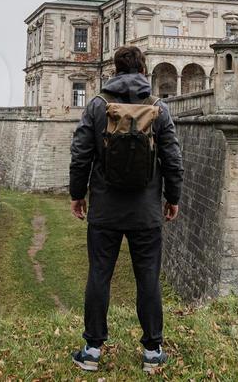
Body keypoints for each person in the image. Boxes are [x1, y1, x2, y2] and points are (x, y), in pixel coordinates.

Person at [68, 44, 183, 374]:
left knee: (99, 275)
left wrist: (78, 195)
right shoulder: (158, 107)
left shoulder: (97, 106)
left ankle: (91, 350)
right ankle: (152, 351)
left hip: (104, 209)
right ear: (143, 69)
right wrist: (172, 198)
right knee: (148, 277)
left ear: (114, 70)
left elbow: (80, 156)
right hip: (146, 210)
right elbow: (173, 160)